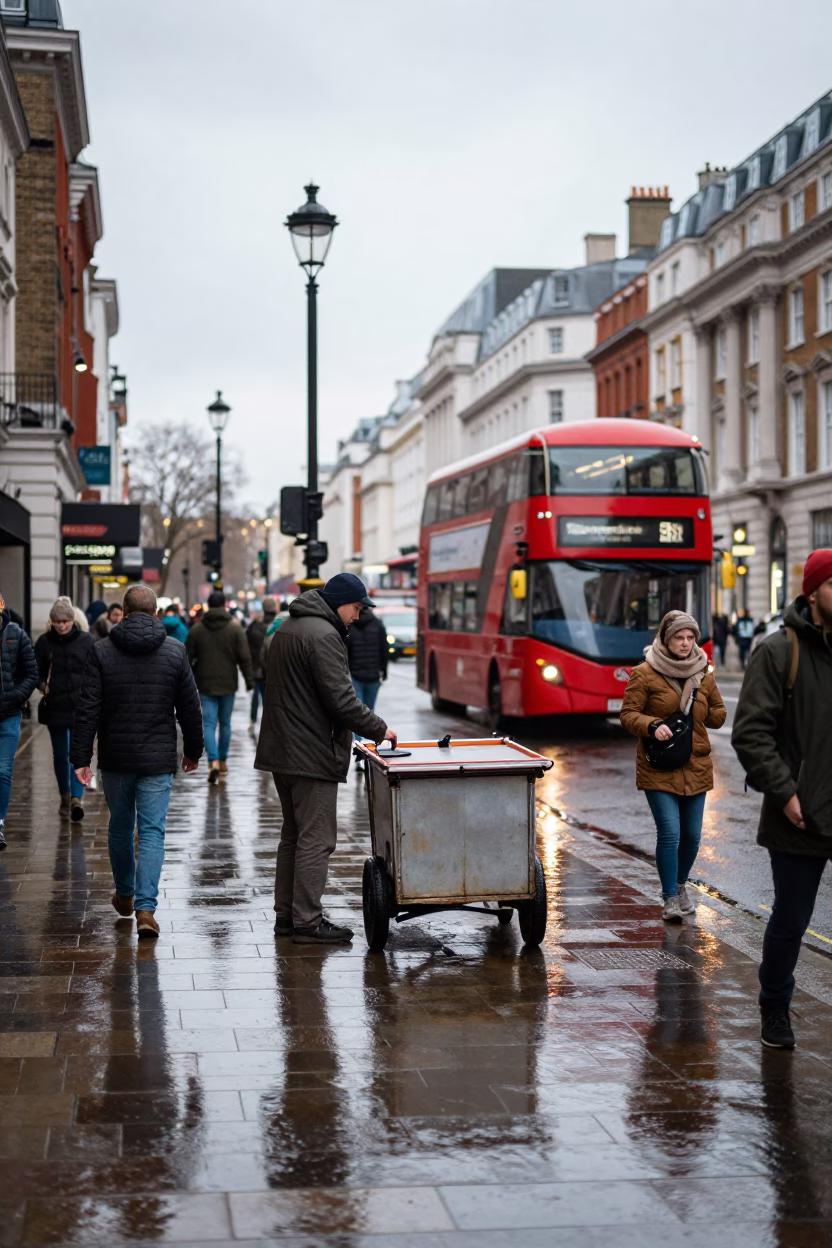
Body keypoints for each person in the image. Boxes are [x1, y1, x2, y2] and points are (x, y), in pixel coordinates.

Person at [255, 573, 398, 944]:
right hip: (311, 753)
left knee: (293, 836)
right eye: (356, 607)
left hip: (281, 749)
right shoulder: (324, 636)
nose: (358, 615)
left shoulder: (286, 628)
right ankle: (307, 921)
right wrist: (380, 729)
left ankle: (286, 916)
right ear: (339, 603)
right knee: (317, 839)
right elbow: (341, 700)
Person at [732, 550, 832, 1050]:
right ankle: (775, 1008)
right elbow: (751, 734)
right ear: (813, 593)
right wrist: (786, 792)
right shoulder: (778, 652)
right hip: (799, 814)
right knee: (791, 921)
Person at [71, 584, 203, 938]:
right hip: (158, 757)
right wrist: (193, 750)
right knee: (152, 831)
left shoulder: (102, 651)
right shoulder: (175, 651)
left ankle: (125, 895)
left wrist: (81, 757)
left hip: (116, 757)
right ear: (156, 614)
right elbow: (190, 708)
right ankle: (146, 909)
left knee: (119, 826)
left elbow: (87, 709)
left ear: (124, 613)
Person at [620, 610, 726, 923]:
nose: (685, 643)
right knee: (670, 832)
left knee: (692, 836)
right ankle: (668, 897)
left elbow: (718, 714)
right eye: (678, 637)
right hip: (660, 763)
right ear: (666, 640)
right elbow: (628, 714)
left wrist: (703, 706)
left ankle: (681, 886)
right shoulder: (645, 672)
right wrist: (652, 725)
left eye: (690, 637)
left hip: (695, 762)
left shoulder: (704, 672)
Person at [34, 597, 95, 822]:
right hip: (55, 706)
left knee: (79, 754)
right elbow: (35, 670)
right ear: (51, 622)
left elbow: (96, 670)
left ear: (73, 621)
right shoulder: (44, 643)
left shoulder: (87, 641)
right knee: (61, 755)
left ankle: (77, 798)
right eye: (57, 621)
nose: (61, 625)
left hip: (81, 707)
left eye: (65, 621)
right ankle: (65, 795)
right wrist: (42, 685)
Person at [185, 590, 253, 783]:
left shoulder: (198, 629)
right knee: (225, 723)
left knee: (208, 723)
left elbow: (187, 657)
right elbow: (244, 657)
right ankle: (223, 761)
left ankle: (212, 760)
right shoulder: (235, 628)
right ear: (224, 605)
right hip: (228, 682)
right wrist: (249, 681)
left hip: (205, 682)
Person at [0, 590, 37, 849]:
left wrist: (16, 696)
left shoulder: (16, 634)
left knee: (3, 770)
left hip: (8, 715)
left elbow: (31, 673)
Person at [346, 604, 388, 769]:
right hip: (373, 676)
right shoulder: (378, 624)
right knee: (369, 713)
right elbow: (384, 649)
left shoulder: (351, 626)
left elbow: (346, 650)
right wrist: (384, 671)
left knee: (358, 715)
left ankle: (359, 751)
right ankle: (368, 751)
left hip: (356, 675)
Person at [245, 596, 277, 730]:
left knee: (256, 697)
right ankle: (269, 722)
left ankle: (253, 719)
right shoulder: (279, 626)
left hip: (257, 667)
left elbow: (247, 645)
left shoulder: (254, 627)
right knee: (269, 698)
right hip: (273, 670)